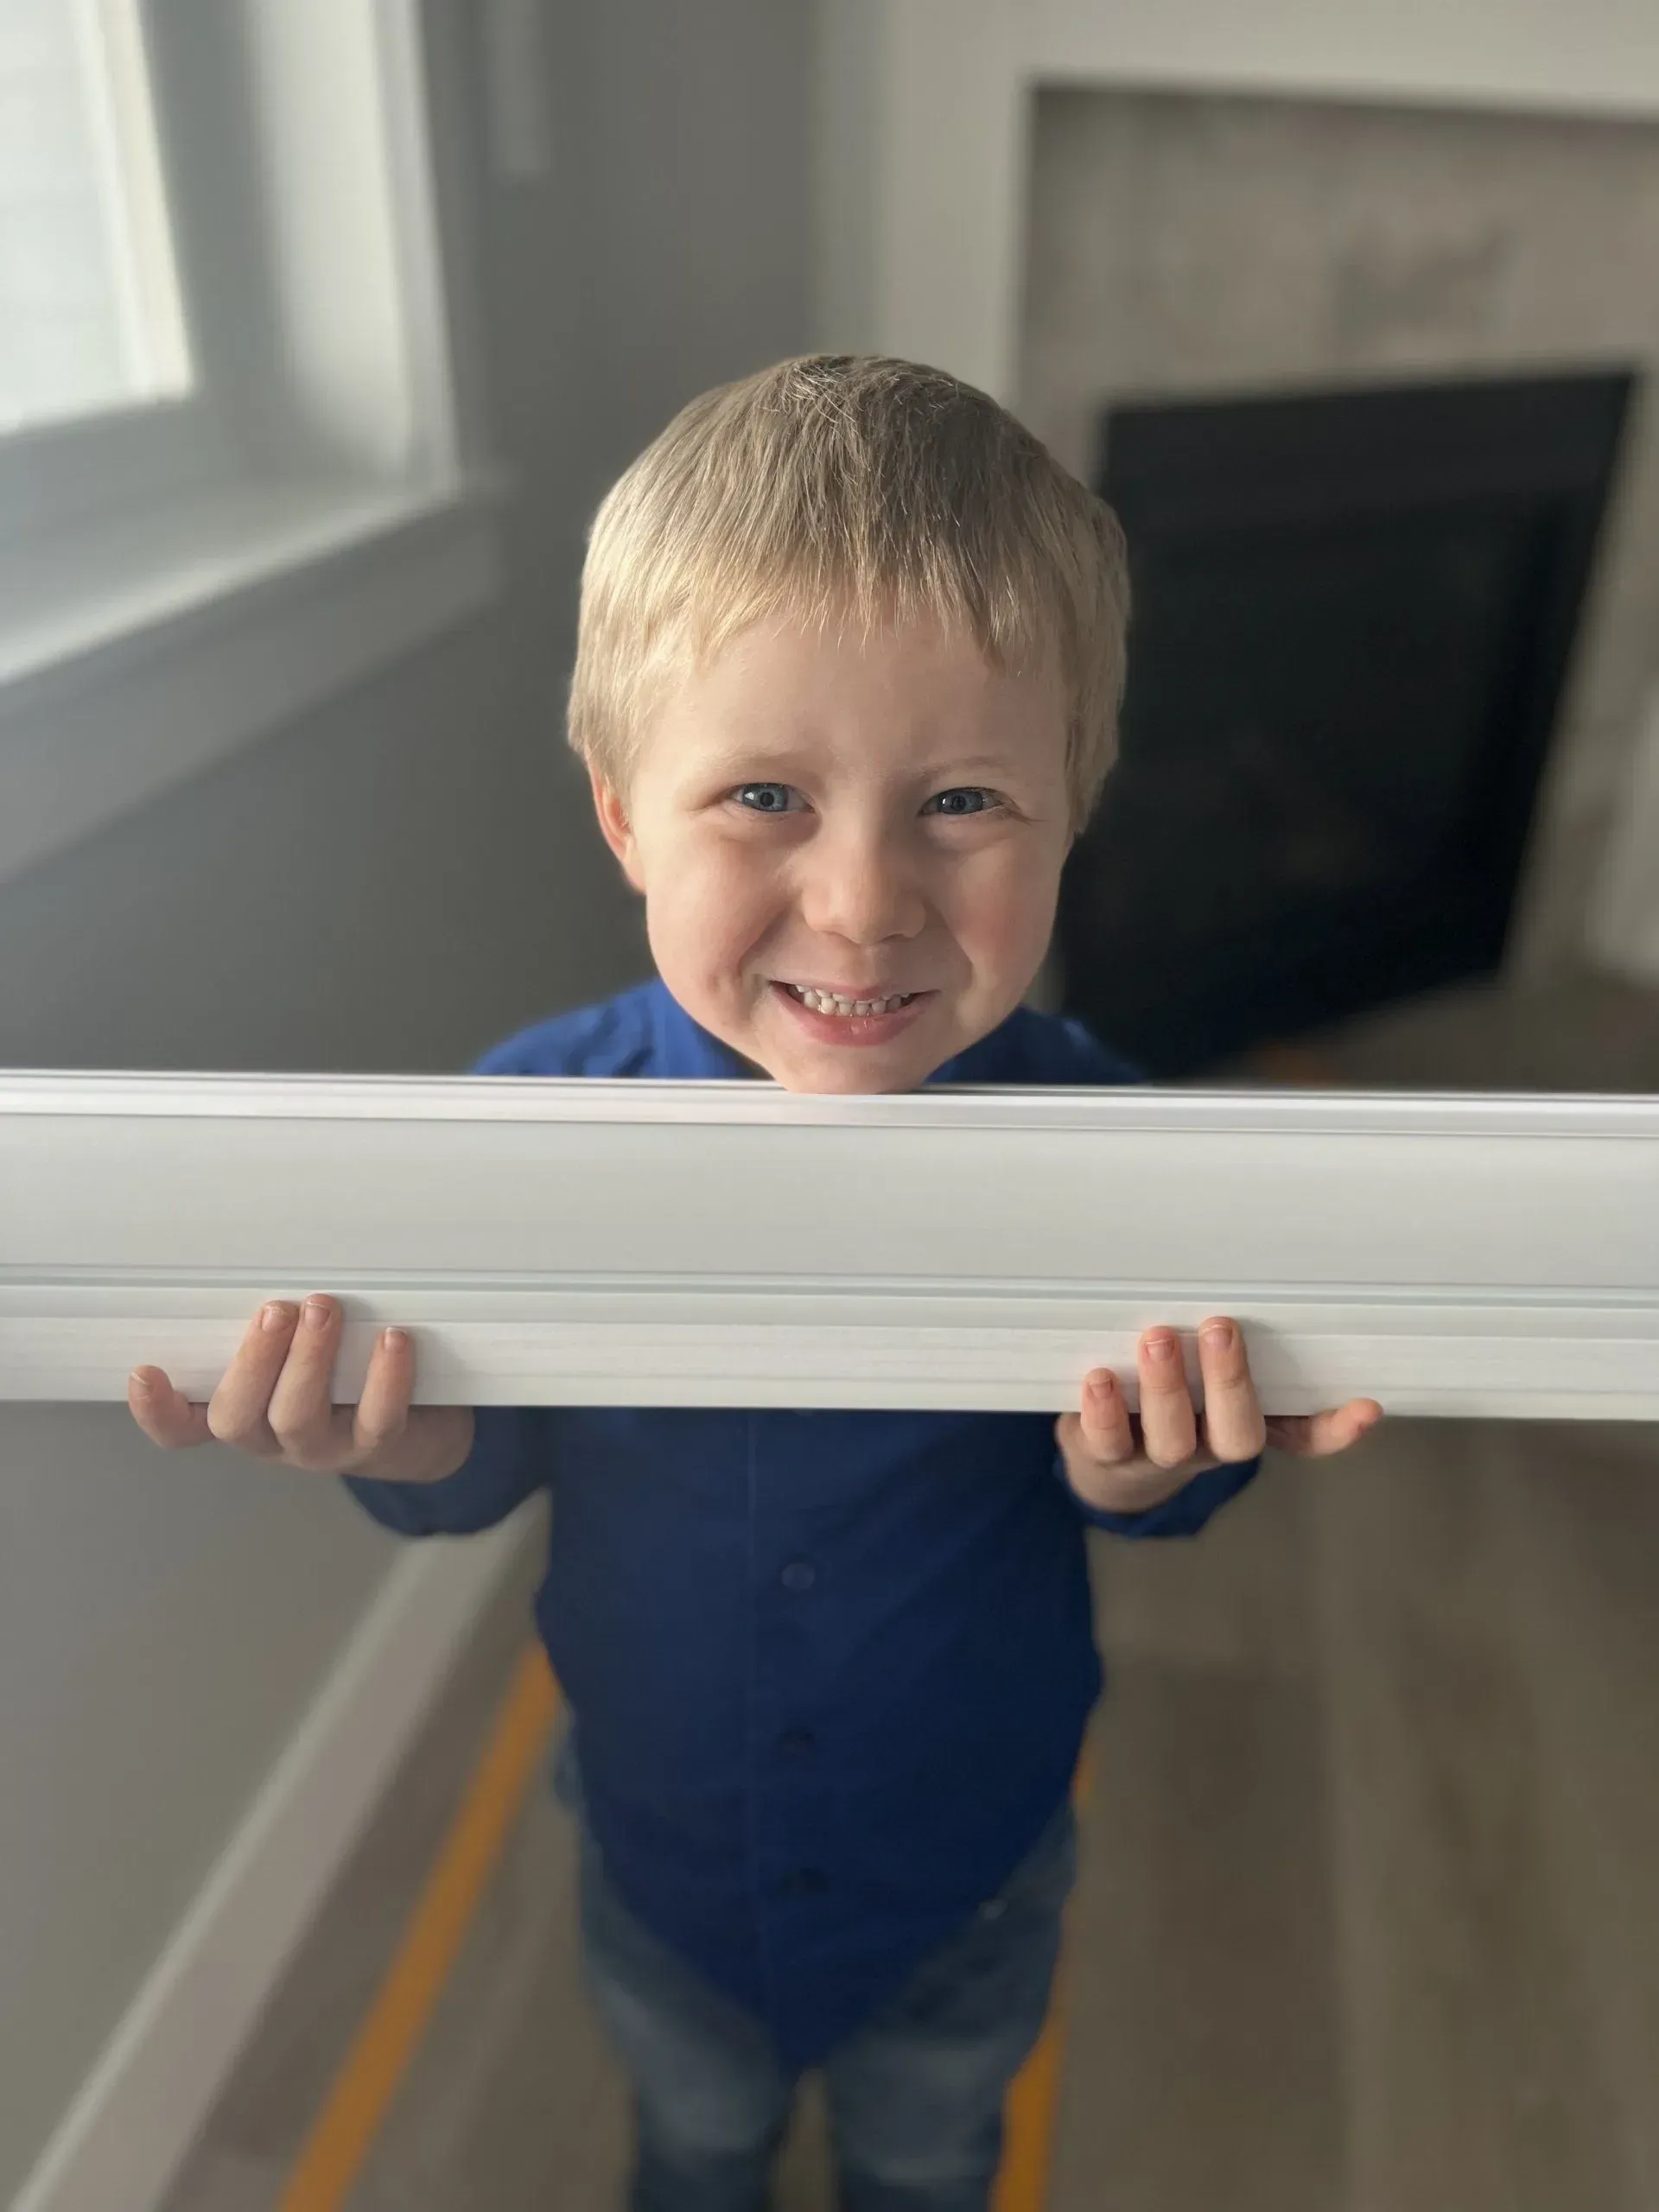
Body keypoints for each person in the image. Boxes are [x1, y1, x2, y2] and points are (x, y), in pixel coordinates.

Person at [129, 355, 1382, 2212]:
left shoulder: (1114, 1149)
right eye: (767, 795)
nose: (866, 899)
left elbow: (1169, 1460)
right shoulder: (520, 1133)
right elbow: (470, 1470)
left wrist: (1147, 1466)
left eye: (963, 798)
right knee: (693, 2141)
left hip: (968, 1858)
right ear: (626, 809)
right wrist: (396, 1430)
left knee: (931, 2150)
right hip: (665, 1849)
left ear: (1074, 806)